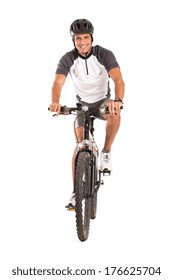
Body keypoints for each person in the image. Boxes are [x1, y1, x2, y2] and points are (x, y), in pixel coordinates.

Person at [49, 19, 125, 208]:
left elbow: (118, 79)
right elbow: (58, 83)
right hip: (82, 105)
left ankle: (106, 153)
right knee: (80, 145)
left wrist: (117, 101)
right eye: (77, 39)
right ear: (73, 40)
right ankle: (76, 192)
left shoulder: (103, 54)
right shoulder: (68, 58)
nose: (82, 42)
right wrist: (55, 102)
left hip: (102, 102)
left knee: (115, 114)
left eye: (85, 38)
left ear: (91, 37)